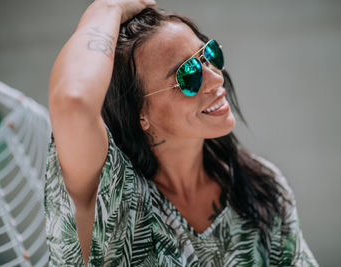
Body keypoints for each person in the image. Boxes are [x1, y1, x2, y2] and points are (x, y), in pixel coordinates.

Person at [44, 0, 319, 266]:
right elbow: (73, 103)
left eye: (209, 55)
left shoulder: (259, 186)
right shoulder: (114, 199)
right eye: (187, 75)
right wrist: (106, 7)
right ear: (141, 113)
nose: (216, 78)